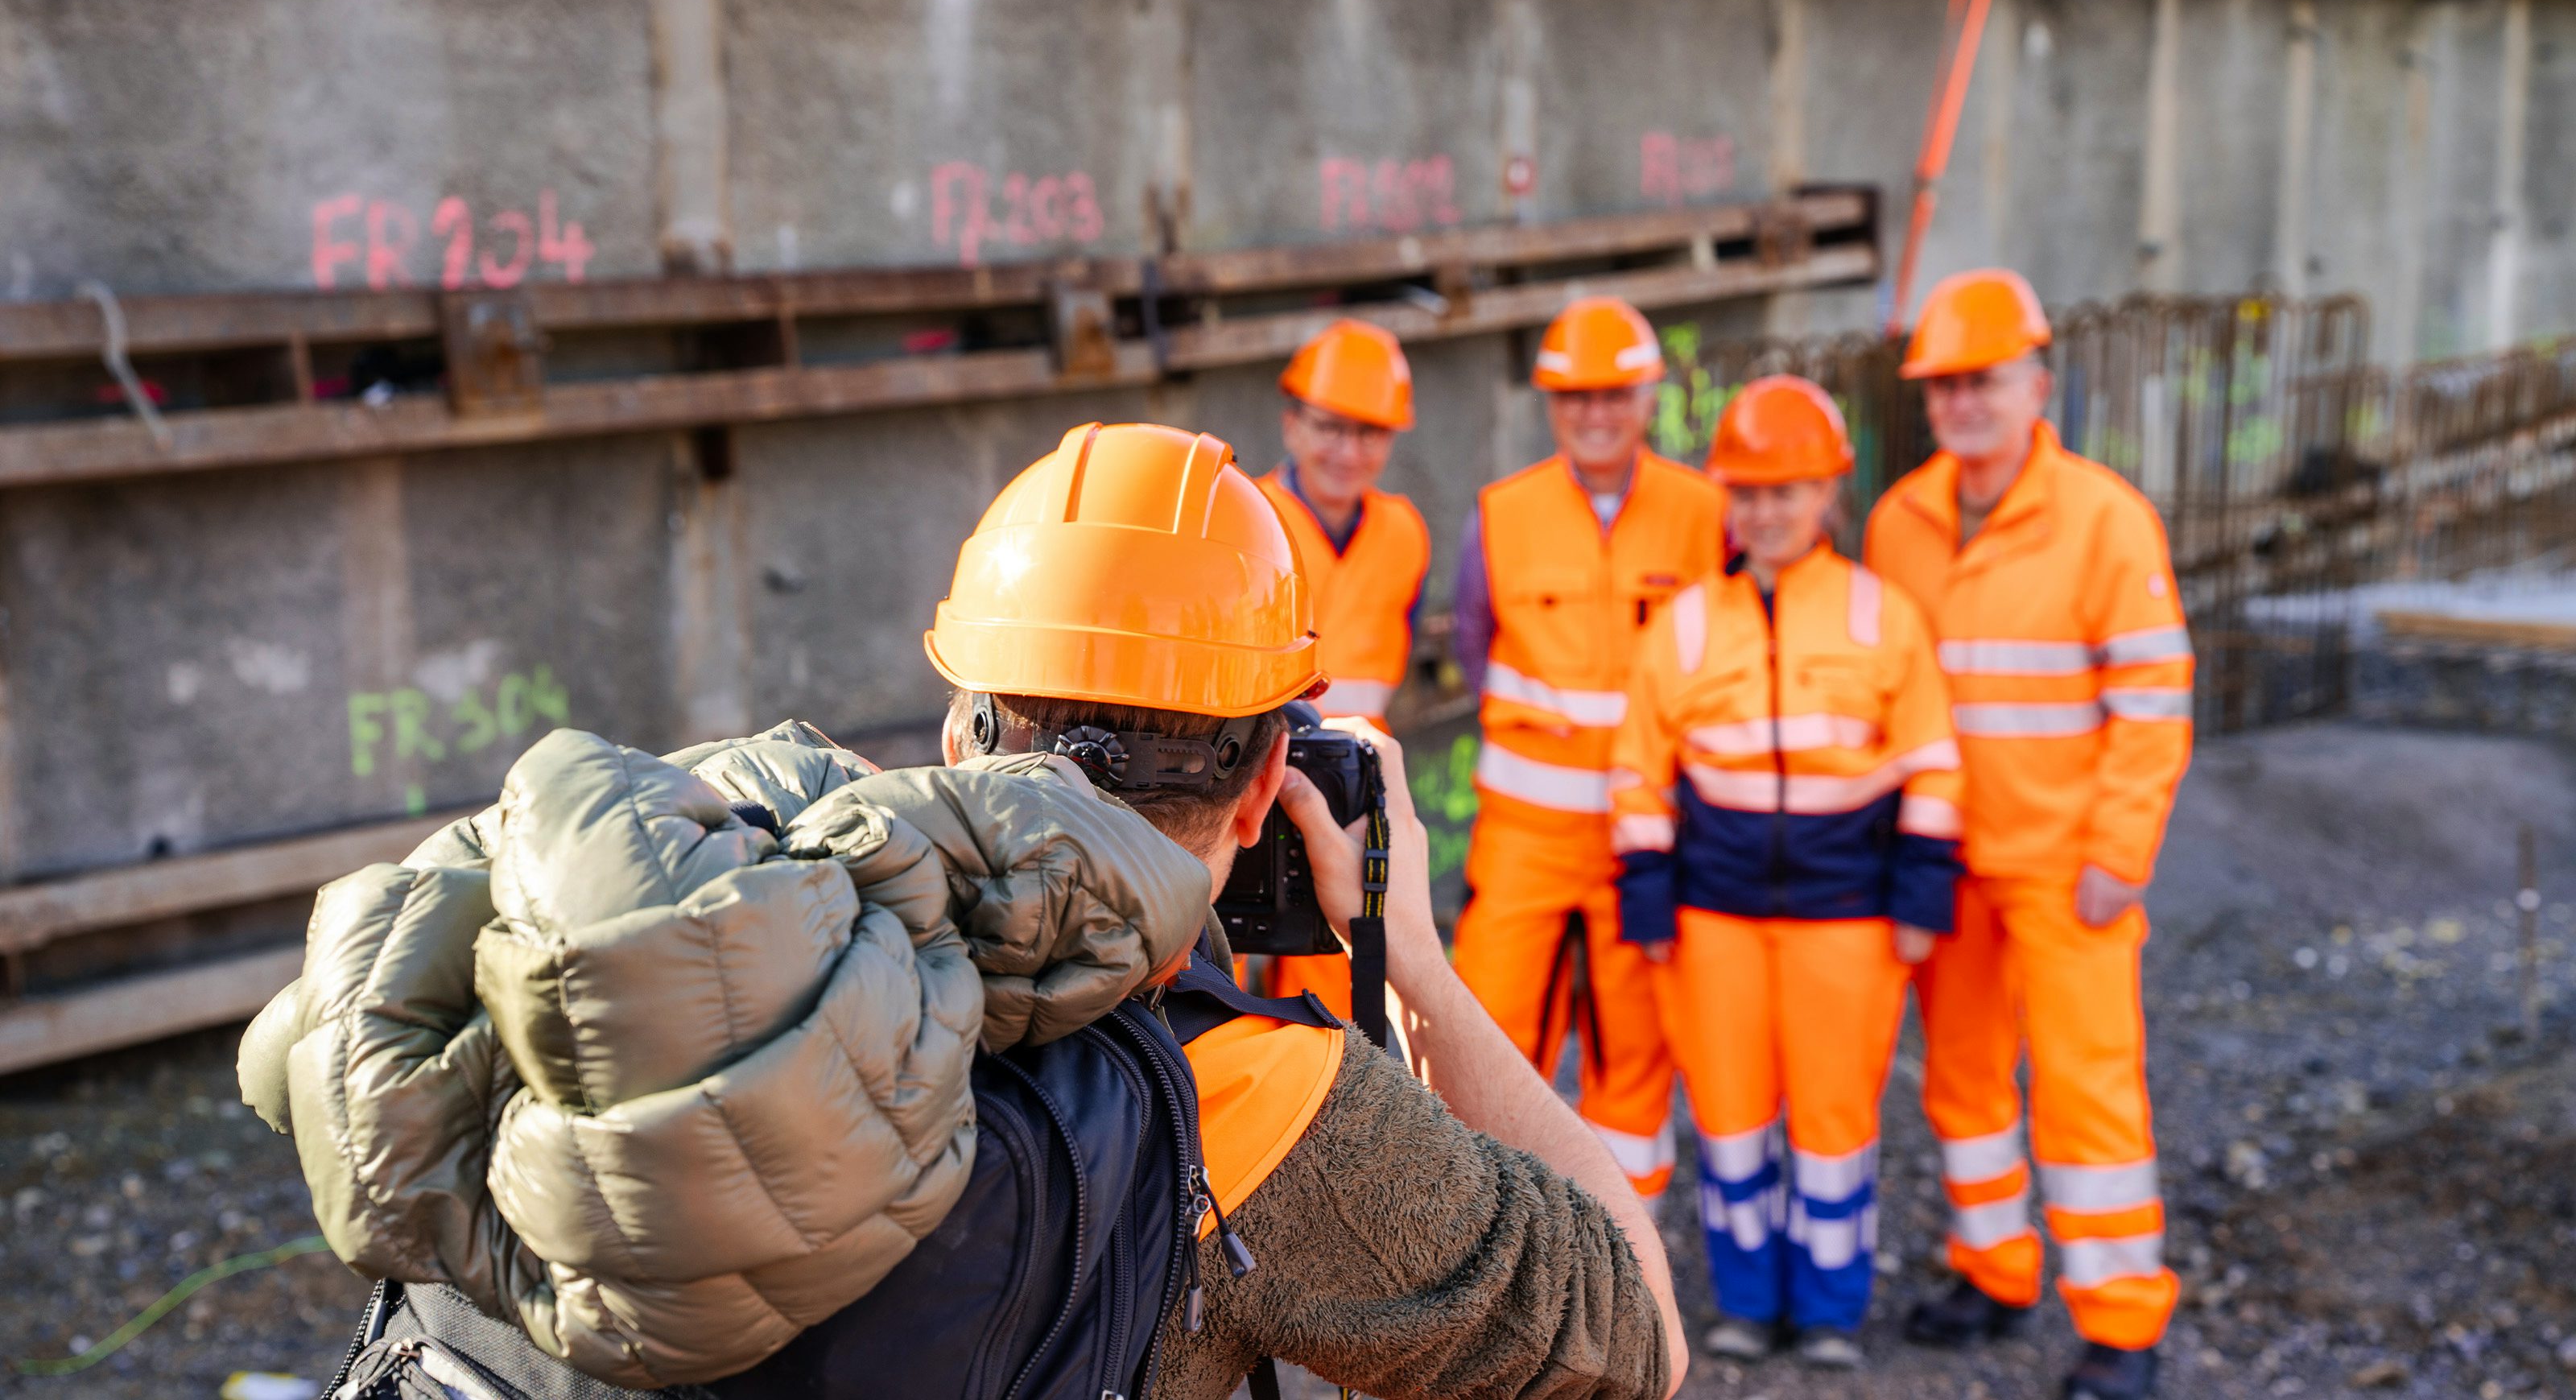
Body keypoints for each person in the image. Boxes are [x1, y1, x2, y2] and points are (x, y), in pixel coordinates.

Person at [250, 420, 1686, 1400]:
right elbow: (1638, 1337)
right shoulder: (1252, 1097)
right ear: (1266, 789)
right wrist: (1411, 962)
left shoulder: (697, 947)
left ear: (960, 731)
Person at [1866, 270, 2194, 1400]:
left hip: (2066, 871)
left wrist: (2119, 855)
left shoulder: (2105, 520)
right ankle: (1993, 1271)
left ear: (2036, 386)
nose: (1962, 402)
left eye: (1983, 381)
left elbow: (2153, 703)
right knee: (1962, 1082)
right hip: (1949, 863)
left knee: (2087, 1087)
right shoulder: (1899, 522)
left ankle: (2121, 1325)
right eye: (1944, 385)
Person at [1611, 377, 1963, 1372]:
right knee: (1729, 1119)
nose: (1766, 511)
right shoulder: (1684, 624)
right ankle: (1745, 1305)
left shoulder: (1881, 615)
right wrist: (1650, 905)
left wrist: (1918, 900)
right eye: (1749, 493)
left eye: (1787, 491)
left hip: (1847, 918)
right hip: (1710, 918)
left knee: (1834, 1121)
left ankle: (1828, 1312)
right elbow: (1636, 774)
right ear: (1727, 498)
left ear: (1828, 494)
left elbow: (1934, 763)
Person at [1450, 295, 1727, 1200]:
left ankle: (1627, 1248)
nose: (1595, 414)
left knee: (1634, 1062)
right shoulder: (1500, 515)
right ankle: (1495, 1238)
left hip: (1643, 844)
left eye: (1614, 395)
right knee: (1488, 1041)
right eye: (1576, 397)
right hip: (1523, 843)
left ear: (1649, 398)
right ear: (1550, 405)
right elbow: (1476, 647)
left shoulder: (1705, 515)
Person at [1254, 317, 1432, 1019]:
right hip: (1250, 769)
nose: (1348, 451)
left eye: (1369, 433)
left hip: (1354, 781)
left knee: (1340, 973)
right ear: (1292, 423)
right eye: (1330, 427)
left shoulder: (1404, 532)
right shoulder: (1248, 516)